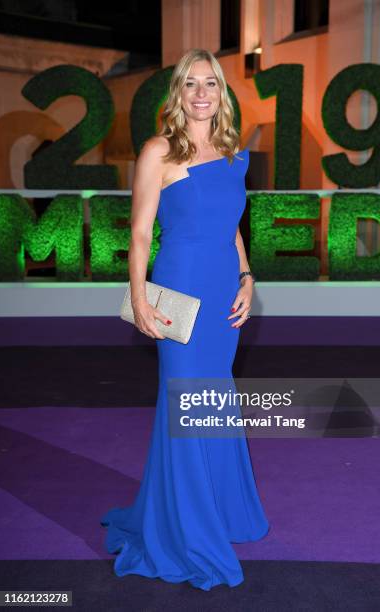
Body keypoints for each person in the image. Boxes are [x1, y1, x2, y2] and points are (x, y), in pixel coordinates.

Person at [100, 48, 269, 591]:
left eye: (211, 84)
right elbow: (141, 233)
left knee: (214, 398)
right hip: (178, 290)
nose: (201, 93)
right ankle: (187, 532)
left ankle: (217, 510)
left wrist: (247, 278)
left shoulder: (232, 152)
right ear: (178, 93)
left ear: (222, 92)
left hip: (223, 289)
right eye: (191, 84)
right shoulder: (159, 151)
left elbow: (232, 227)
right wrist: (139, 298)